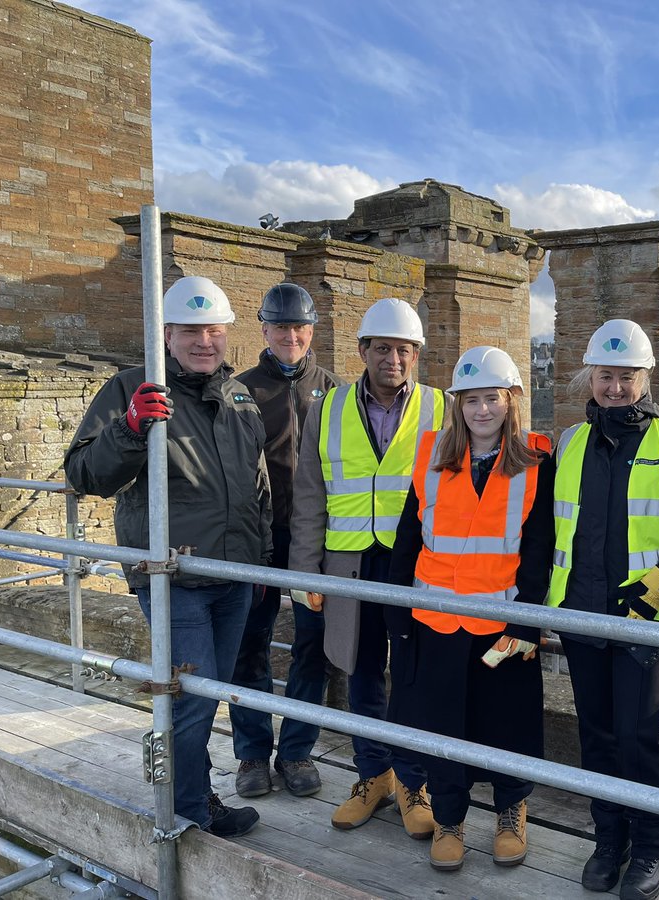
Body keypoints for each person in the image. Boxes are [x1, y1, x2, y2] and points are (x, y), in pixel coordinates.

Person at [64, 275, 270, 838]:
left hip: (231, 576)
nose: (205, 341)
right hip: (171, 574)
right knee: (192, 698)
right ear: (167, 333)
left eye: (214, 329)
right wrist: (130, 429)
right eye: (191, 330)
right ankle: (186, 816)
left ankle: (193, 796)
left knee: (206, 696)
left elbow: (256, 487)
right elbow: (84, 474)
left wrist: (259, 561)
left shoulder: (236, 394)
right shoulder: (132, 386)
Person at [549, 319, 659, 900]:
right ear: (591, 377)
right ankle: (608, 839)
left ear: (646, 378)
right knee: (596, 736)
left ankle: (649, 848)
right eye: (606, 376)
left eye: (627, 377)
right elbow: (551, 528)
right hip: (583, 615)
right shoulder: (569, 443)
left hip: (644, 618)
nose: (616, 387)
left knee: (639, 737)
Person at [387, 346, 553, 872]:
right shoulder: (432, 455)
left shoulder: (535, 459)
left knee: (508, 722)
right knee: (444, 726)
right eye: (472, 400)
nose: (482, 410)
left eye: (493, 399)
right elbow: (408, 537)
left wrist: (527, 623)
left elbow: (539, 548)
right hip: (436, 619)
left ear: (512, 402)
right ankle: (450, 818)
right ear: (457, 405)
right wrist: (399, 613)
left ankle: (510, 811)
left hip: (503, 620)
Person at [287, 297, 447, 838]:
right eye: (383, 348)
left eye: (404, 349)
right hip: (348, 563)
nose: (394, 359)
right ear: (363, 351)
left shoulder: (440, 408)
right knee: (358, 673)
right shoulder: (327, 408)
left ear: (417, 354)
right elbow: (308, 494)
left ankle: (414, 782)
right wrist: (305, 573)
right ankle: (372, 775)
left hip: (414, 564)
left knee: (411, 675)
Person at [229, 283, 343, 800]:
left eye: (299, 327)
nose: (291, 335)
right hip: (259, 535)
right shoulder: (239, 390)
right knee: (248, 644)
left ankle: (296, 750)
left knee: (311, 647)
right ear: (264, 329)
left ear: (312, 329)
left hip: (314, 540)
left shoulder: (339, 391)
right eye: (281, 327)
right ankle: (252, 753)